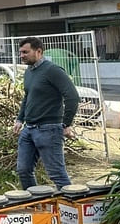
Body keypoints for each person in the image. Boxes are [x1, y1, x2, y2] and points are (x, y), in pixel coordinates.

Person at [14, 37, 80, 189]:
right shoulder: (29, 72)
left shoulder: (53, 71)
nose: (22, 55)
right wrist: (19, 119)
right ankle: (34, 204)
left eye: (26, 52)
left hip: (49, 129)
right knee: (23, 171)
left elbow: (72, 97)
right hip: (28, 129)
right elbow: (27, 97)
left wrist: (66, 124)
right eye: (21, 52)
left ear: (38, 51)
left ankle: (71, 208)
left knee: (56, 174)